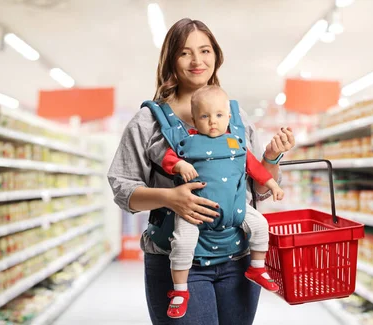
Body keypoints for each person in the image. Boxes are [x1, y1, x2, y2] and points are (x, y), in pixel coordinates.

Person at [107, 18, 295, 325]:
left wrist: (272, 157)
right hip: (177, 260)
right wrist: (170, 198)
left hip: (238, 261)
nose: (197, 61)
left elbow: (258, 188)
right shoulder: (148, 121)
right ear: (171, 60)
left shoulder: (236, 116)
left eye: (205, 51)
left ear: (216, 57)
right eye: (185, 53)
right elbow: (121, 188)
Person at [159, 85, 285, 318]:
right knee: (183, 243)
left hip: (236, 210)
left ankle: (257, 267)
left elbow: (255, 168)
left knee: (260, 225)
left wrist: (273, 185)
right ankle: (180, 290)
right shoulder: (186, 143)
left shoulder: (235, 142)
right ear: (194, 120)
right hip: (194, 212)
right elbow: (167, 158)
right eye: (204, 116)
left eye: (218, 115)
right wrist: (180, 165)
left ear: (229, 117)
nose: (212, 122)